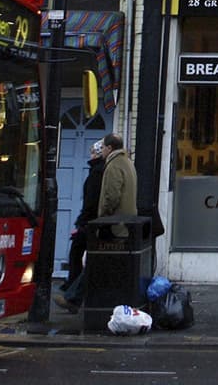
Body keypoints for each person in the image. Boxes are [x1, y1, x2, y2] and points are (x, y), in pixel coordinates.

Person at [58, 139, 108, 312]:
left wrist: (82, 221)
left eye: (93, 151)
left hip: (91, 223)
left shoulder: (97, 172)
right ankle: (73, 291)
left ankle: (73, 292)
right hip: (94, 221)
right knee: (86, 257)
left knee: (79, 254)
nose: (90, 154)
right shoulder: (102, 170)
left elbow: (91, 201)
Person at [96, 133, 137, 232]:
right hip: (128, 222)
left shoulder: (114, 165)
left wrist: (104, 214)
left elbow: (112, 196)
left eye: (103, 147)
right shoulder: (128, 162)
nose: (101, 151)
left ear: (109, 148)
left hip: (114, 224)